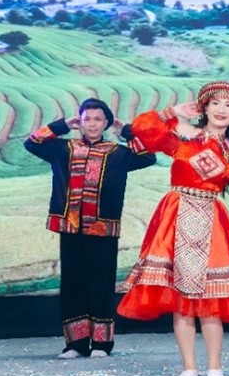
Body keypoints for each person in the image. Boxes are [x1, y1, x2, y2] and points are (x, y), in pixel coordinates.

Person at [118, 81, 229, 376]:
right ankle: (189, 367)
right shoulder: (183, 133)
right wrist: (172, 111)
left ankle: (214, 366)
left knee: (210, 301)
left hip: (210, 217)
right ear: (204, 107)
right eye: (216, 103)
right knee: (181, 300)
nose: (221, 109)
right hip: (175, 214)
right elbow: (143, 130)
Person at [24, 97, 156, 359]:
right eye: (86, 119)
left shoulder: (119, 153)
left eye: (98, 119)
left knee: (101, 284)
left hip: (102, 229)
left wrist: (125, 130)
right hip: (70, 227)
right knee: (72, 284)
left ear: (106, 122)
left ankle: (101, 344)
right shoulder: (63, 148)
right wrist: (62, 125)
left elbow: (148, 155)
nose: (92, 124)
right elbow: (32, 143)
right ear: (80, 122)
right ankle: (75, 343)